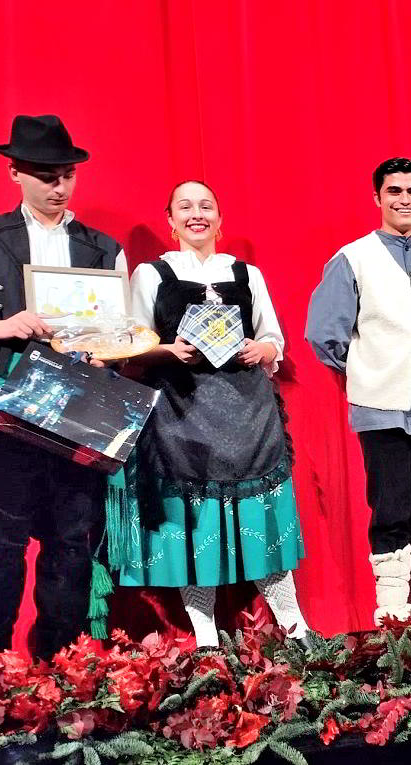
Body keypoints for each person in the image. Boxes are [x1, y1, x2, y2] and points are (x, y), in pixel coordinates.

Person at [117, 180, 309, 648]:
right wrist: (168, 349)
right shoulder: (151, 274)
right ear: (170, 219)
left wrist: (259, 347)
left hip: (247, 411)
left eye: (206, 206)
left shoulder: (247, 274)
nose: (196, 214)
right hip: (181, 411)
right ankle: (205, 633)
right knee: (193, 521)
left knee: (261, 515)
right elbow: (131, 342)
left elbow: (273, 340)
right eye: (185, 206)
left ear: (221, 221)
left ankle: (294, 624)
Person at [0, 115, 127, 658]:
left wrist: (110, 346)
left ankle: (62, 667)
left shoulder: (101, 249)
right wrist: (3, 326)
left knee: (70, 543)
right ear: (15, 173)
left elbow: (122, 334)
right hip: (9, 401)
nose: (58, 187)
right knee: (0, 544)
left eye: (66, 175)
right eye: (46, 176)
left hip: (80, 406)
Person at [306, 157, 411, 622]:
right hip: (383, 401)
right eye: (394, 191)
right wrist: (367, 367)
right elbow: (324, 334)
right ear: (377, 198)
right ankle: (393, 607)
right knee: (391, 502)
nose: (404, 200)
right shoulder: (353, 258)